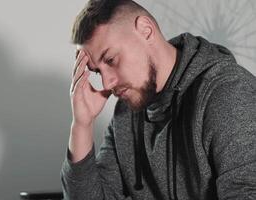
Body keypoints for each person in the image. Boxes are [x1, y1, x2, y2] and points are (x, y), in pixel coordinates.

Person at [60, 0, 256, 199]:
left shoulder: (226, 93)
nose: (107, 83)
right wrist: (82, 125)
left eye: (111, 60)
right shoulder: (126, 113)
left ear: (146, 30)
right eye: (96, 72)